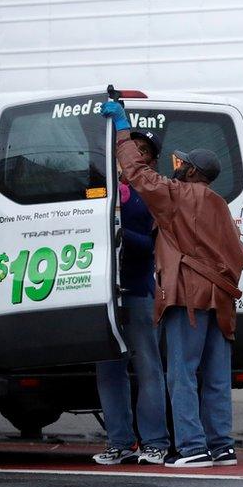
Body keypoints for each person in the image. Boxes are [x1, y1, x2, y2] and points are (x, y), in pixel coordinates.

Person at [102, 100, 243, 469]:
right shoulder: (219, 203)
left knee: (181, 373)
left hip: (187, 298)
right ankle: (221, 447)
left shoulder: (177, 196)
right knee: (216, 377)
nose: (175, 167)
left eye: (181, 164)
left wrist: (123, 128)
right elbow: (240, 254)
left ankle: (192, 447)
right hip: (222, 300)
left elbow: (136, 172)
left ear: (191, 171)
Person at [92, 130, 170, 466]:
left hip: (138, 291)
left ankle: (155, 441)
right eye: (128, 150)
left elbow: (158, 246)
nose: (132, 157)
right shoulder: (103, 190)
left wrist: (124, 232)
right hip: (103, 294)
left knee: (148, 368)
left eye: (142, 152)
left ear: (150, 161)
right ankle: (120, 441)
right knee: (109, 371)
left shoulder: (153, 194)